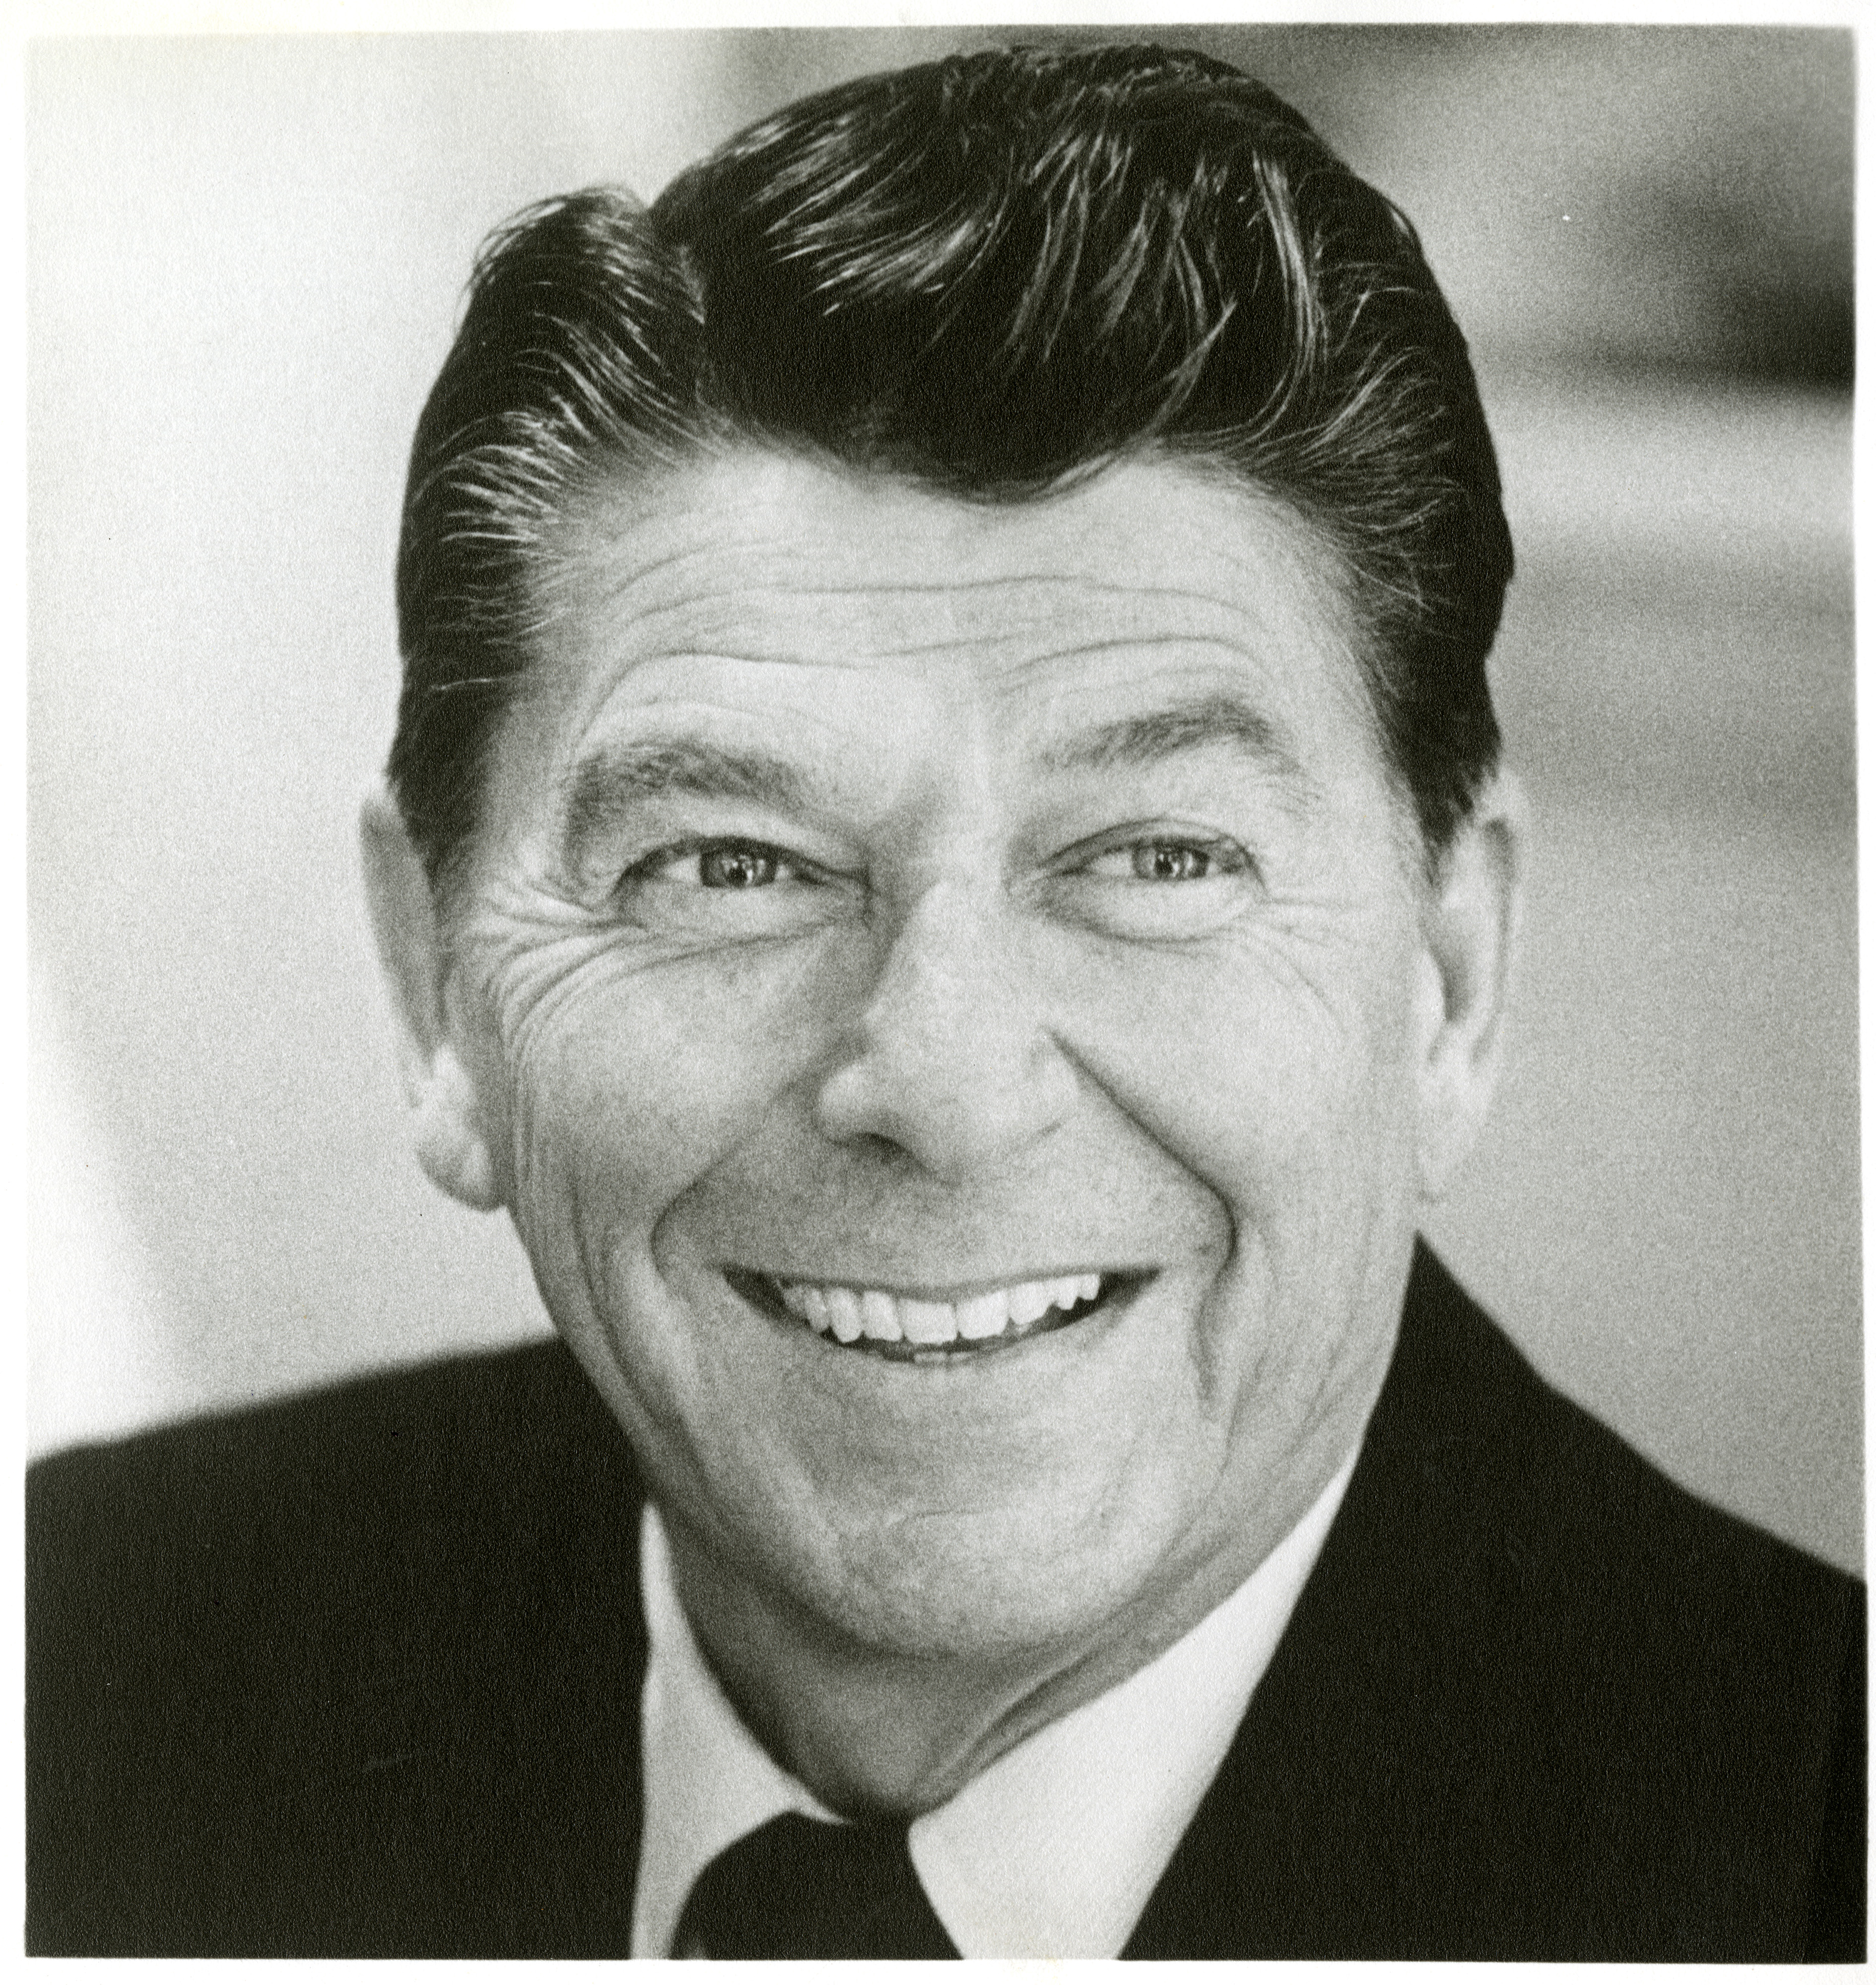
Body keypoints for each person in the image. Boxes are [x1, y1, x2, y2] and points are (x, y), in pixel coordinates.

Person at [27, 42, 1862, 1960]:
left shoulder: (1819, 1852)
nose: (948, 1082)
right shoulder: (75, 1675)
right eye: (731, 866)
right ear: (433, 987)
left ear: (1447, 982)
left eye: (1155, 858)